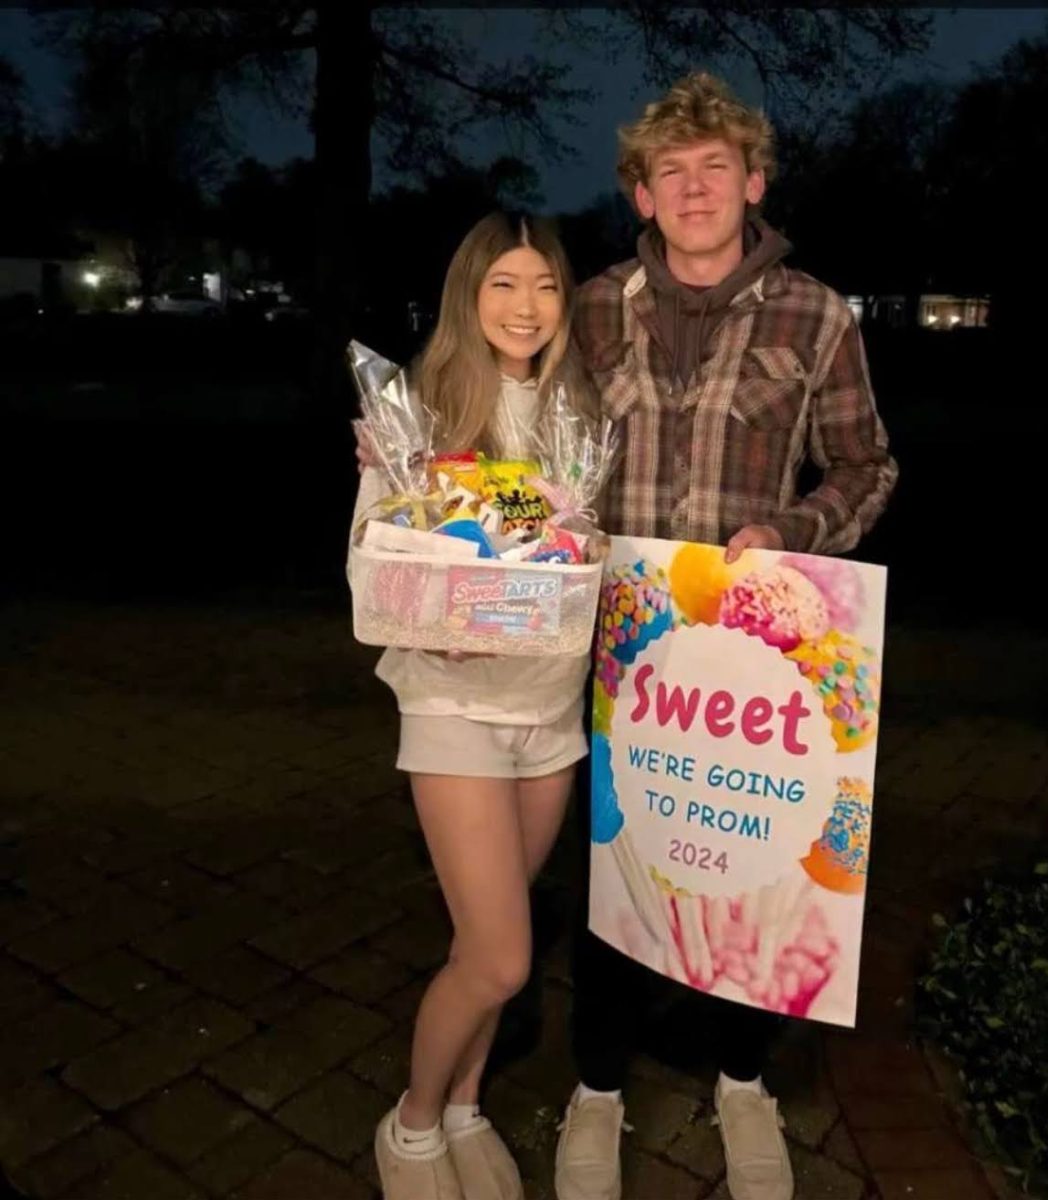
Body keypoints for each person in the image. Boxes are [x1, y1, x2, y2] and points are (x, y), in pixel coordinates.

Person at [554, 73, 898, 1200]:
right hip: (614, 649)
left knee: (745, 874)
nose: (694, 189)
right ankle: (596, 1091)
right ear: (640, 195)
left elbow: (867, 466)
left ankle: (743, 1082)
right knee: (611, 868)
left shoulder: (818, 313)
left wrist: (796, 527)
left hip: (752, 657)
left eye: (717, 168)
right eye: (670, 172)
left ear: (752, 184)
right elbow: (522, 440)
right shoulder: (591, 307)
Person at [355, 212, 596, 1200]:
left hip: (551, 710)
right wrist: (430, 601)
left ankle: (462, 1104)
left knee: (485, 942)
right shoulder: (418, 409)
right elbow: (372, 563)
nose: (525, 305)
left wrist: (571, 549)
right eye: (503, 283)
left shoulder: (581, 413)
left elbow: (570, 551)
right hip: (454, 702)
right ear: (469, 294)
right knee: (502, 957)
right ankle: (410, 1126)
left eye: (543, 284)